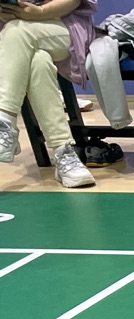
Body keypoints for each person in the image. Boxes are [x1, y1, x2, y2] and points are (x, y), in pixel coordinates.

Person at [0, 0, 97, 188]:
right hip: (14, 31)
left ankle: (4, 122)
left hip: (63, 26)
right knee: (39, 61)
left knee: (17, 32)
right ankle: (63, 151)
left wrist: (40, 12)